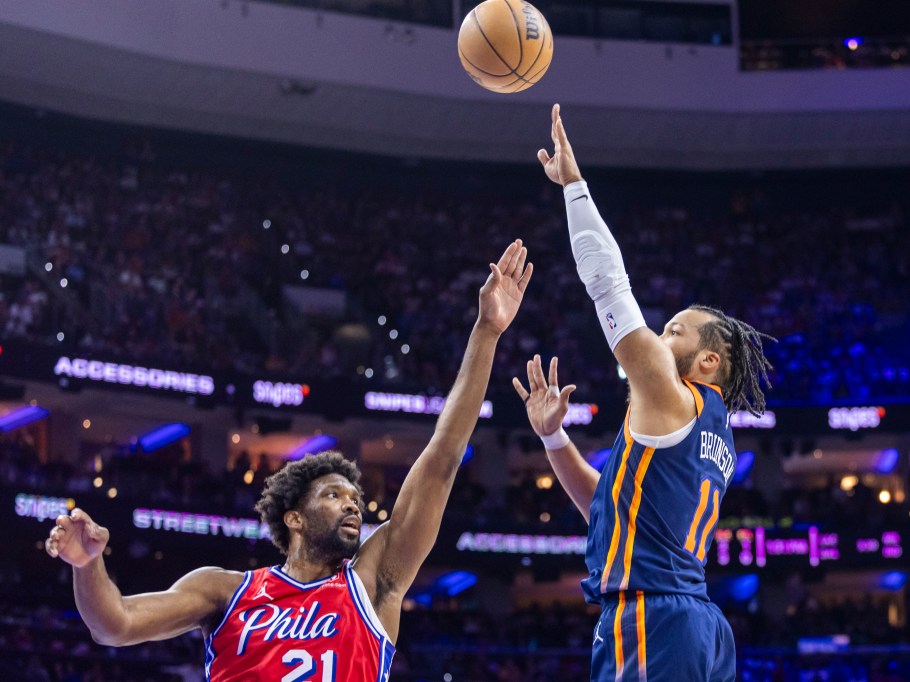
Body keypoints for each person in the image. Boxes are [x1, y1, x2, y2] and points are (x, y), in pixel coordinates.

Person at [45, 240, 534, 682]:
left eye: (355, 498)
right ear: (294, 517)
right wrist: (87, 565)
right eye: (334, 494)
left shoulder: (374, 582)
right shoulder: (224, 591)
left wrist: (486, 332)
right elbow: (116, 625)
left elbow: (443, 458)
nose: (353, 506)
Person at [512, 105, 773, 682]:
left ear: (708, 361)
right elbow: (608, 508)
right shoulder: (708, 430)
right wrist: (553, 436)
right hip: (696, 623)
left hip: (653, 616)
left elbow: (607, 282)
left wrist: (574, 187)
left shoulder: (675, 395)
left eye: (674, 330)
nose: (658, 335)